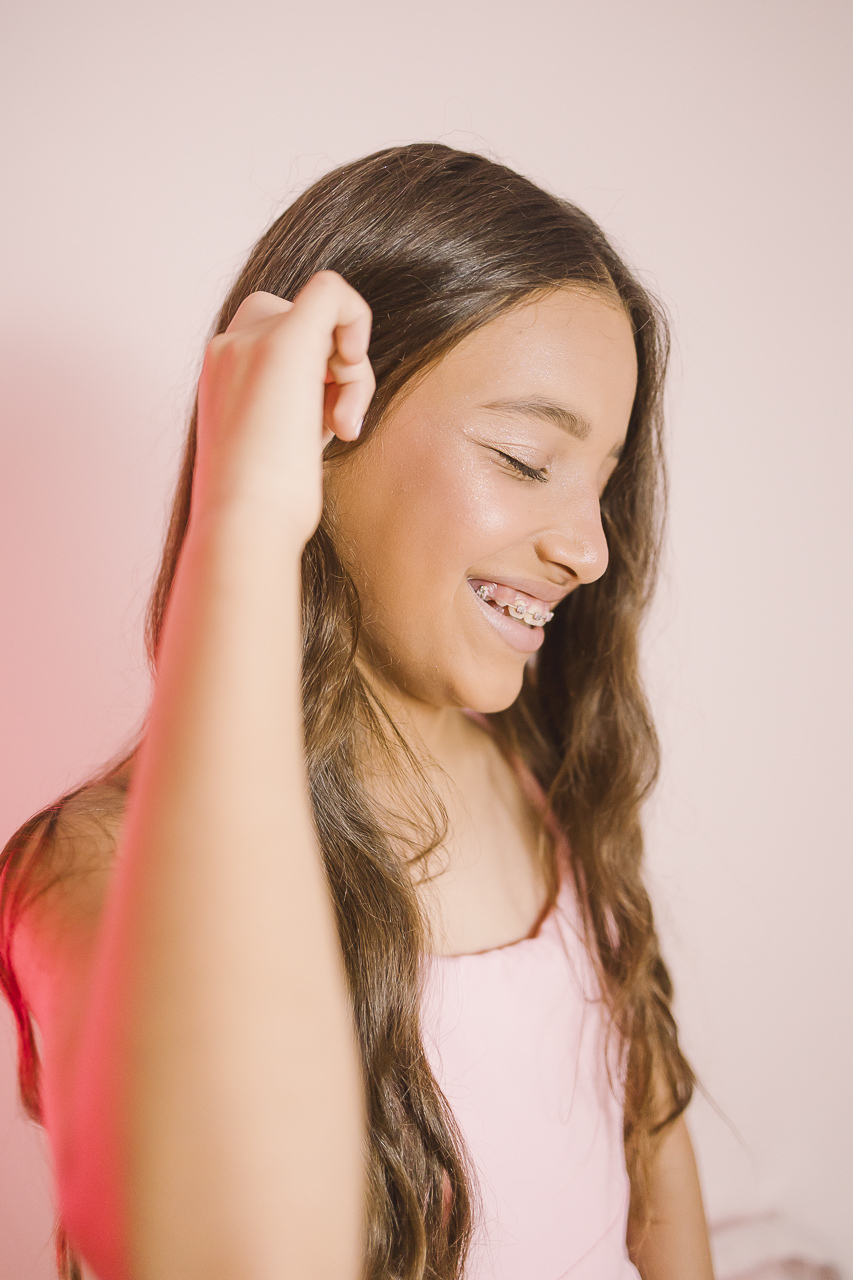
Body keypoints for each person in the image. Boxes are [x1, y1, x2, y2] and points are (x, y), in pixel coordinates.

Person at [0, 143, 715, 1280]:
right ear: (319, 441)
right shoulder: (93, 872)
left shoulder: (540, 775)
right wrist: (241, 518)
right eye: (526, 457)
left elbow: (657, 1190)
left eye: (602, 481)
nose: (588, 548)